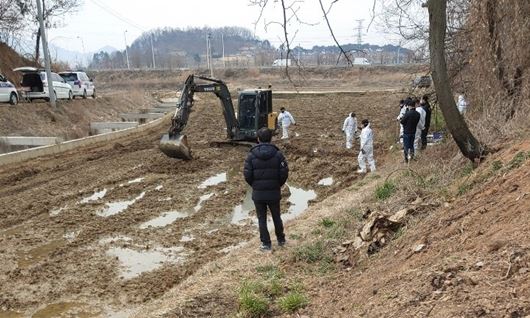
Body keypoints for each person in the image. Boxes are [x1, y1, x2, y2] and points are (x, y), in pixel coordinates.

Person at [243, 127, 289, 251]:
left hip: (258, 194)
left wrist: (255, 185)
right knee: (276, 216)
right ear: (271, 138)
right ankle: (281, 240)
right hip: (274, 192)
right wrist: (277, 184)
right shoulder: (278, 154)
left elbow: (247, 174)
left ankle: (266, 244)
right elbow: (284, 172)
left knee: (261, 219)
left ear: (258, 139)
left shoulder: (251, 155)